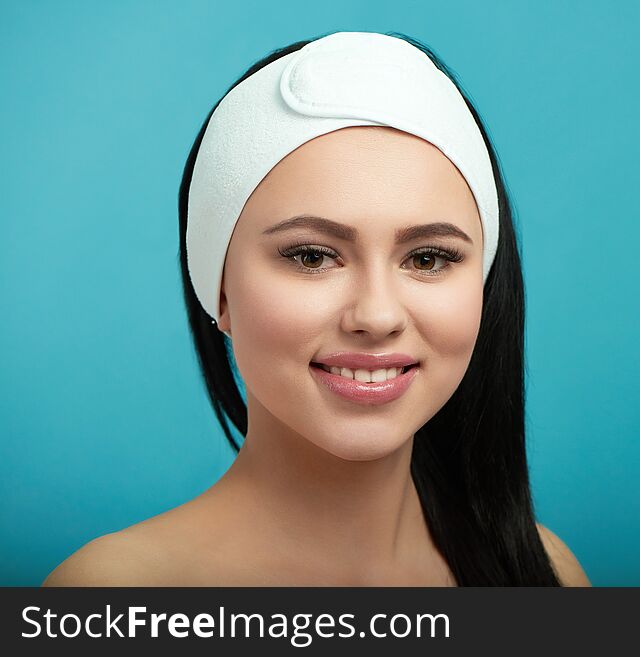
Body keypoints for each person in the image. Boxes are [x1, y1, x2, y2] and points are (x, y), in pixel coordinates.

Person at [43, 30, 590, 587]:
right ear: (220, 290)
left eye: (428, 258)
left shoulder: (548, 573)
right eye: (311, 256)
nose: (376, 316)